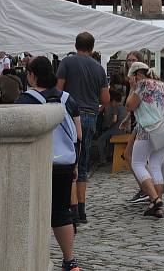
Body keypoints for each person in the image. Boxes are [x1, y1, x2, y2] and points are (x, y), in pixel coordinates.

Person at [15, 56, 82, 271]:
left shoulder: (25, 100)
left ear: (32, 75)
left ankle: (31, 258)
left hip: (37, 162)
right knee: (61, 211)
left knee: (30, 208)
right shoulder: (68, 99)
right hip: (64, 162)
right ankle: (69, 260)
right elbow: (78, 135)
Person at [56, 31, 110, 225]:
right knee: (84, 163)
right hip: (90, 116)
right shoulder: (98, 68)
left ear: (75, 45)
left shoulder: (67, 63)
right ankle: (82, 209)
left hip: (70, 115)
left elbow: (58, 90)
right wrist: (97, 109)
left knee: (70, 161)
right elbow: (105, 99)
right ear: (92, 47)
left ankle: (72, 210)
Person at [125, 61, 164, 219]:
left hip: (147, 129)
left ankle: (155, 199)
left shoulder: (142, 84)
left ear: (137, 74)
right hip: (163, 129)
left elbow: (130, 105)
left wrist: (132, 88)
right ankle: (156, 206)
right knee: (155, 165)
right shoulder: (162, 85)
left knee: (137, 163)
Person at [97, 90, 128, 164]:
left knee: (100, 140)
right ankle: (110, 155)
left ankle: (103, 159)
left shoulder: (115, 108)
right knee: (108, 139)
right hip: (123, 131)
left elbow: (114, 120)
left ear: (113, 101)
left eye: (110, 102)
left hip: (116, 130)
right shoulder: (124, 108)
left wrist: (108, 125)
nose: (110, 104)